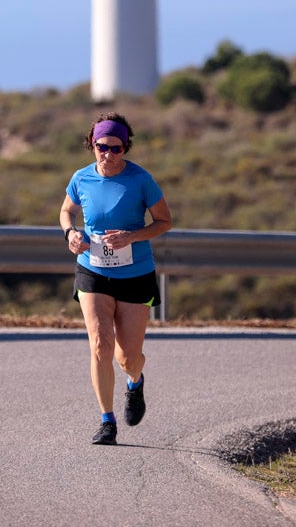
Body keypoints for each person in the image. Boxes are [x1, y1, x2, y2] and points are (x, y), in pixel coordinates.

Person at [59, 112, 173, 446]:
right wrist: (70, 233)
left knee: (128, 357)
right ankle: (107, 421)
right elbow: (66, 211)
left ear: (125, 148)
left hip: (135, 274)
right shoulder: (81, 178)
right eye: (101, 147)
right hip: (92, 269)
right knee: (100, 345)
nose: (107, 154)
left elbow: (164, 221)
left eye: (116, 148)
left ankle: (135, 382)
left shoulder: (141, 179)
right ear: (92, 145)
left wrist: (132, 236)